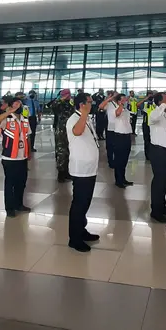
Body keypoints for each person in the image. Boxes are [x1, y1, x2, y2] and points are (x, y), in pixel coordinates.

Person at [66, 92, 101, 252]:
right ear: (81, 104)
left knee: (85, 202)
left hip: (89, 168)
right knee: (79, 204)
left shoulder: (84, 117)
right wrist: (84, 115)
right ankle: (74, 238)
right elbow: (77, 132)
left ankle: (82, 230)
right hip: (81, 169)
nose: (92, 104)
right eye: (89, 102)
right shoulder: (75, 119)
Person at [0, 96, 32, 217]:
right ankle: (9, 208)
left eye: (20, 104)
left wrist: (29, 152)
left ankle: (18, 204)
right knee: (10, 183)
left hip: (22, 157)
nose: (18, 106)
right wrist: (8, 112)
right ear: (10, 106)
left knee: (21, 182)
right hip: (10, 157)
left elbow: (28, 136)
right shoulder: (7, 119)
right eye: (16, 104)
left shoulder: (24, 119)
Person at [148, 92, 166, 224]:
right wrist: (161, 105)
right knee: (159, 182)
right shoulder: (154, 113)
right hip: (159, 152)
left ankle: (162, 206)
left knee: (164, 181)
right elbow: (154, 117)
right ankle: (156, 211)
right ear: (160, 102)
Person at [109, 93, 134, 188]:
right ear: (118, 101)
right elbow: (117, 114)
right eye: (122, 99)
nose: (125, 101)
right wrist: (121, 105)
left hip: (127, 135)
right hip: (119, 136)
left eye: (125, 99)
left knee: (125, 159)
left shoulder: (125, 109)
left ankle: (123, 178)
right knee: (119, 159)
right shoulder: (115, 109)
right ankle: (118, 180)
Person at [51, 89, 75, 183]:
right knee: (61, 151)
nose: (68, 96)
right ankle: (61, 173)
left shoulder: (71, 102)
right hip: (61, 130)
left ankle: (66, 172)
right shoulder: (58, 103)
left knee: (69, 151)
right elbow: (53, 106)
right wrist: (61, 99)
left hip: (70, 129)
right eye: (66, 95)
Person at [99, 91, 118, 169]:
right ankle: (111, 161)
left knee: (117, 145)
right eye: (115, 95)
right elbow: (101, 106)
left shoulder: (120, 104)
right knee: (110, 145)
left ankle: (116, 160)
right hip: (111, 127)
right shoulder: (109, 104)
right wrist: (109, 99)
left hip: (119, 128)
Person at [141, 90, 156, 160]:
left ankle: (153, 154)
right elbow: (137, 105)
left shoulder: (155, 103)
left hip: (153, 125)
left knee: (153, 140)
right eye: (149, 95)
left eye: (151, 94)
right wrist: (145, 99)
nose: (150, 96)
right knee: (146, 140)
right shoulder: (144, 103)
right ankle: (148, 155)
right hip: (146, 124)